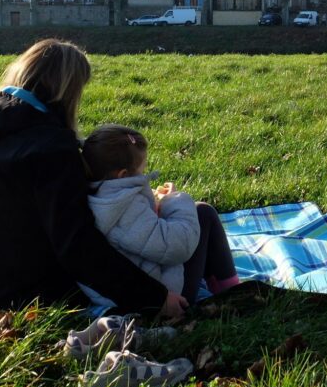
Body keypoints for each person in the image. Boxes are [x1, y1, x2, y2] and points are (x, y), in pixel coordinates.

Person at [0, 39, 187, 324]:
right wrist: (155, 298)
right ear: (69, 92)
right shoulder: (52, 147)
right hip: (0, 300)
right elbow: (77, 247)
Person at [81, 124, 239, 304]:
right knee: (204, 213)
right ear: (123, 175)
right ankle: (232, 292)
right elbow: (178, 246)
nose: (143, 175)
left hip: (127, 292)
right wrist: (173, 200)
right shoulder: (123, 207)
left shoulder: (98, 196)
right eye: (141, 171)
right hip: (165, 297)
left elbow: (143, 236)